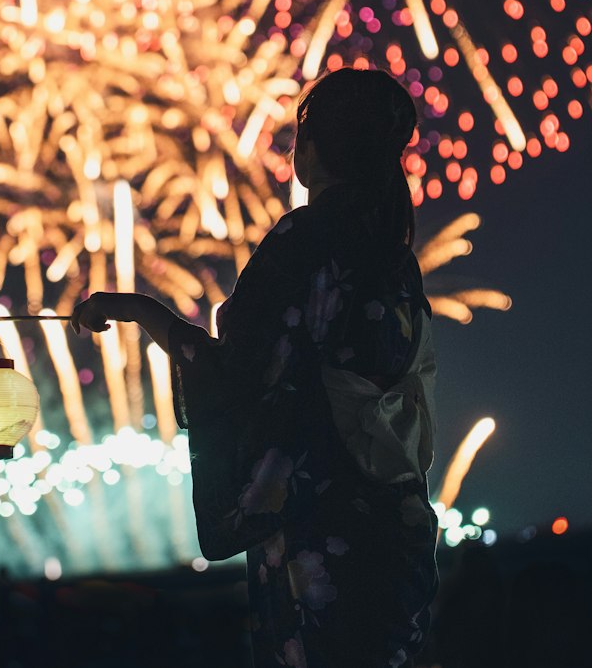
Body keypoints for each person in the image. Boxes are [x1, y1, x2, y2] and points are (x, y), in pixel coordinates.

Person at [71, 66, 439, 667]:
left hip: (322, 531)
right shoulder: (393, 254)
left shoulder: (305, 241)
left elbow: (236, 374)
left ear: (314, 150)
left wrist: (141, 310)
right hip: (398, 525)